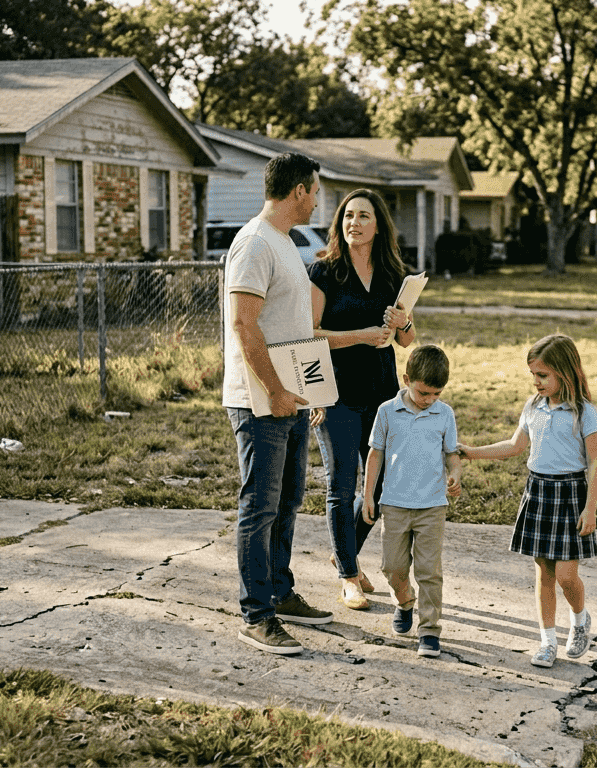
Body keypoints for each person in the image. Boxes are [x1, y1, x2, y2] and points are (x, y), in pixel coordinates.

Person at [223, 152, 334, 655]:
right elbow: (244, 324)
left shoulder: (284, 242)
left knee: (287, 502)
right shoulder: (254, 243)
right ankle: (256, 614)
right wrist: (273, 390)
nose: (317, 201)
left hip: (290, 399)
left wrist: (309, 391)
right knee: (260, 507)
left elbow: (293, 326)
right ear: (298, 191)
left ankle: (280, 592)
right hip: (259, 402)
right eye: (315, 192)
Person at [459, 334, 597, 667]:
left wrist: (590, 508)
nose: (536, 382)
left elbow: (595, 462)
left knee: (567, 576)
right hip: (538, 491)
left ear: (564, 373)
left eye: (543, 375)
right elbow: (514, 446)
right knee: (544, 575)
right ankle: (547, 641)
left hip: (570, 495)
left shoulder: (585, 412)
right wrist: (472, 453)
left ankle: (580, 620)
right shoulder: (533, 406)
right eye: (533, 375)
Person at [307, 189, 416, 611]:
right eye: (348, 215)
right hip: (334, 394)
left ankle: (344, 551)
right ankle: (349, 577)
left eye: (363, 215)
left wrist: (402, 321)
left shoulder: (392, 274)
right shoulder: (324, 271)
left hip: (382, 394)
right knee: (340, 484)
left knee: (382, 484)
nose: (354, 222)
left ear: (378, 225)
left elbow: (406, 340)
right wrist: (361, 336)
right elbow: (309, 333)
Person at [361, 344, 462, 657]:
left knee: (429, 571)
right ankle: (404, 601)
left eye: (436, 394)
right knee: (392, 567)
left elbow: (452, 454)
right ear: (406, 380)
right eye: (423, 393)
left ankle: (429, 630)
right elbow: (375, 454)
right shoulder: (387, 412)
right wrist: (368, 495)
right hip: (394, 504)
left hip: (432, 506)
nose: (429, 400)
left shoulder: (444, 414)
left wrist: (455, 474)